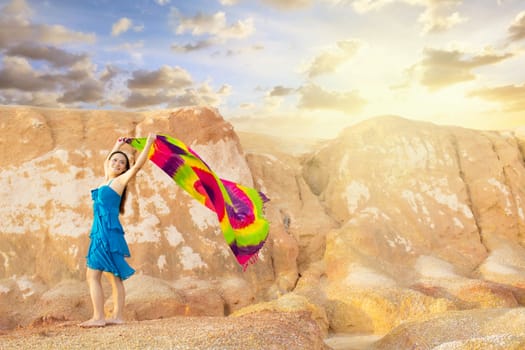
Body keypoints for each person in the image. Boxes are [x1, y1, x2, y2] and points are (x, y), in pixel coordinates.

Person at [80, 133, 156, 328]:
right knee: (114, 277)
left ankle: (98, 317)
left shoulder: (120, 182)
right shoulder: (105, 179)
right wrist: (118, 144)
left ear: (124, 168)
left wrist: (149, 143)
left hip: (106, 233)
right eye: (115, 160)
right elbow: (108, 160)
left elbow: (138, 165)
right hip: (101, 231)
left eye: (122, 162)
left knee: (92, 275)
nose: (117, 163)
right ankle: (118, 316)